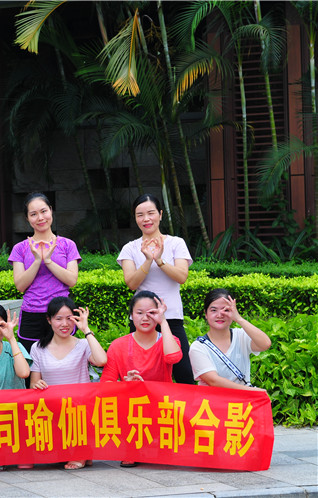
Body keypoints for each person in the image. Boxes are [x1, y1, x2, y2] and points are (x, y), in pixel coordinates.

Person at [118, 193, 194, 385]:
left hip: (172, 317)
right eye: (140, 215)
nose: (146, 219)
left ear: (160, 214)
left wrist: (159, 260)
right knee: (140, 374)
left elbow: (181, 276)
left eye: (151, 213)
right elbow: (132, 283)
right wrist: (148, 260)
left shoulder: (176, 243)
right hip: (141, 320)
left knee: (184, 372)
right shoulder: (130, 248)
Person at [101, 291, 182, 467]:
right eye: (139, 313)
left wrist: (164, 322)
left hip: (161, 407)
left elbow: (173, 357)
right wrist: (125, 384)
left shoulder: (169, 340)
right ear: (131, 315)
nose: (145, 318)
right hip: (130, 410)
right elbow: (105, 384)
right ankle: (132, 448)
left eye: (151, 313)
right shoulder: (118, 345)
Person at [30, 296, 107, 470]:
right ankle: (79, 451)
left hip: (80, 410)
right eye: (58, 318)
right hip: (53, 409)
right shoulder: (37, 348)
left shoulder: (83, 344)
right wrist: (38, 384)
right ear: (49, 320)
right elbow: (34, 383)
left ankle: (81, 450)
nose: (64, 324)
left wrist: (86, 330)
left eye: (69, 318)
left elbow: (102, 360)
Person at [9, 193, 81, 352]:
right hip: (32, 314)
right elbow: (20, 285)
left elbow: (72, 280)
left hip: (62, 314)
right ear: (27, 219)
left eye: (44, 211)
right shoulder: (20, 248)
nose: (40, 217)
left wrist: (48, 261)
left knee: (65, 362)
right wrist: (37, 261)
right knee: (31, 367)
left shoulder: (68, 245)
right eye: (33, 214)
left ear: (51, 211)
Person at [189, 288, 271, 391]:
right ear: (206, 314)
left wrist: (239, 319)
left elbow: (265, 344)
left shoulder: (241, 335)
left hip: (241, 404)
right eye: (214, 310)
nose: (219, 315)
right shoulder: (198, 347)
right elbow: (213, 381)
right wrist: (251, 391)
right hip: (212, 403)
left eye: (226, 310)